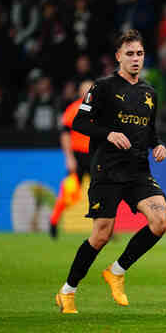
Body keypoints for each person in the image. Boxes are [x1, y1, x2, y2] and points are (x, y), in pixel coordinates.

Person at [55, 29, 166, 314]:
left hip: (139, 172)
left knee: (160, 222)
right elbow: (80, 123)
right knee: (102, 235)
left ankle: (116, 271)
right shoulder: (103, 87)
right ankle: (68, 291)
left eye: (139, 53)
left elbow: (150, 131)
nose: (135, 59)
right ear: (118, 56)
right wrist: (108, 134)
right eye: (129, 53)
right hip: (107, 169)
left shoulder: (149, 93)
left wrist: (159, 146)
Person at [49, 79, 94, 239]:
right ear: (80, 92)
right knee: (71, 193)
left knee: (102, 192)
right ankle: (54, 220)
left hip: (95, 156)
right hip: (77, 156)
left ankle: (103, 227)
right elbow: (65, 134)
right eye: (86, 89)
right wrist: (69, 158)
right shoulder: (74, 109)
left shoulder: (101, 110)